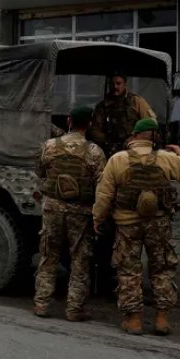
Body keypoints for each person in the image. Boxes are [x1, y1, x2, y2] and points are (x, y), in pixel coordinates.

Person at [92, 118, 180, 336]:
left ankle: (134, 321)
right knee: (162, 269)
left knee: (129, 271)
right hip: (158, 224)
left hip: (127, 224)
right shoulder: (166, 158)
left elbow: (104, 195)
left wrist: (98, 218)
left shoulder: (118, 159)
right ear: (155, 137)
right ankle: (161, 319)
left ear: (134, 136)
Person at [33, 106, 107, 321]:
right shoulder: (94, 152)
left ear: (68, 121)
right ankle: (74, 308)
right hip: (80, 212)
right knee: (80, 260)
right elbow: (102, 185)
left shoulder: (49, 146)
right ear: (89, 124)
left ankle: (41, 303)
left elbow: (40, 172)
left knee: (48, 256)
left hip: (52, 209)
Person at [87, 72, 156, 157]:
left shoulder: (136, 102)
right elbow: (94, 131)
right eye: (112, 84)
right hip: (110, 149)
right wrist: (108, 140)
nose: (115, 87)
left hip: (134, 148)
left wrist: (134, 138)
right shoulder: (102, 106)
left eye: (118, 83)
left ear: (125, 84)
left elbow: (151, 124)